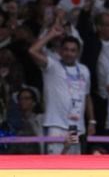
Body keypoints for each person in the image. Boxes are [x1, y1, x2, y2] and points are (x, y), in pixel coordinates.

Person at [28, 26, 95, 155]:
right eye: (66, 50)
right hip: (56, 125)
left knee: (74, 168)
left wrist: (92, 121)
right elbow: (32, 50)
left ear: (78, 52)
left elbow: (87, 96)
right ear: (60, 51)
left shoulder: (84, 70)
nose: (69, 53)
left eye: (73, 50)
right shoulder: (52, 66)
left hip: (75, 127)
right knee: (55, 166)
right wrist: (51, 34)